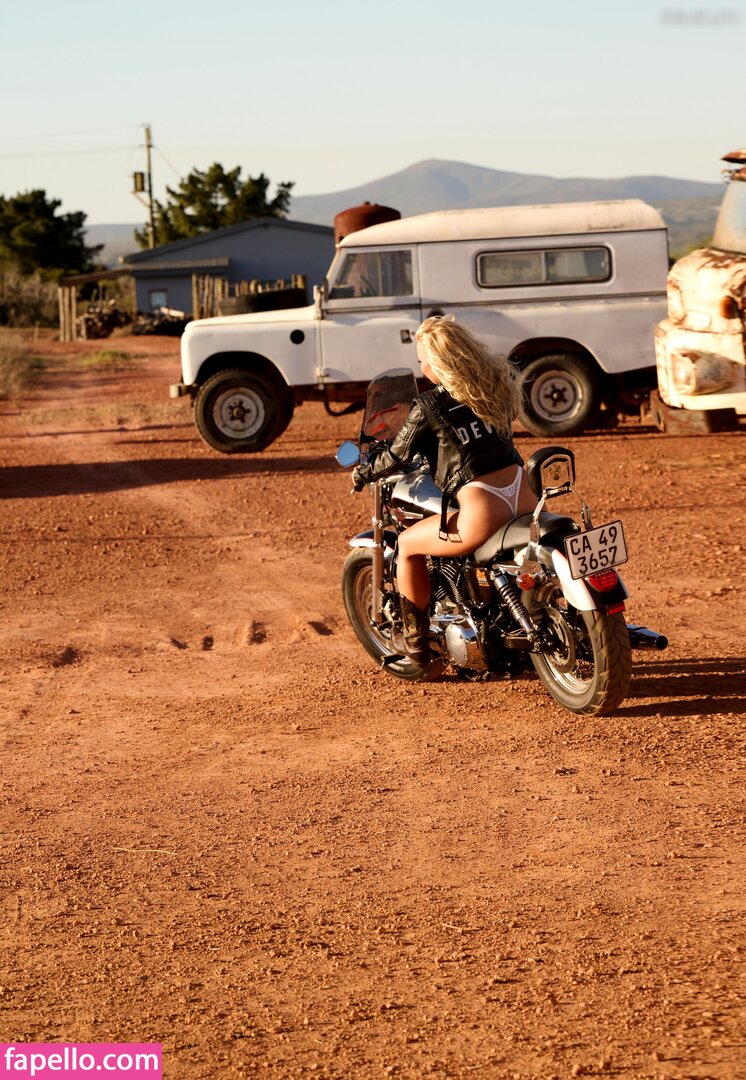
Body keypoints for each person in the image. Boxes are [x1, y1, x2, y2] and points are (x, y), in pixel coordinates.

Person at [353, 315, 536, 668]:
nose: (421, 367)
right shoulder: (493, 388)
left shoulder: (430, 405)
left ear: (439, 362)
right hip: (523, 495)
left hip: (484, 509)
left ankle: (418, 647)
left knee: (407, 544)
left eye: (423, 359)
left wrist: (363, 472)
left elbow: (395, 455)